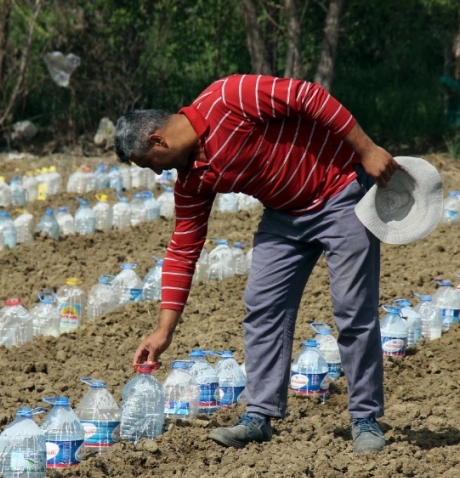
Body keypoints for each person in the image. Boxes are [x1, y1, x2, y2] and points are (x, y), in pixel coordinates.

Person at [114, 74, 397, 454]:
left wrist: (367, 149)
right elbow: (184, 248)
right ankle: (259, 417)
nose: (157, 172)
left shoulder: (228, 98)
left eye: (150, 163)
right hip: (284, 216)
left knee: (352, 309)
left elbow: (306, 95)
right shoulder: (191, 178)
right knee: (263, 306)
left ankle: (364, 418)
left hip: (340, 192)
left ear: (158, 140)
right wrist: (163, 331)